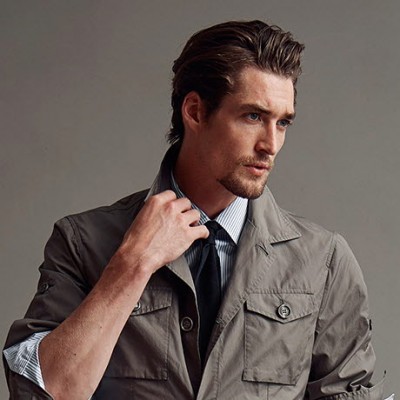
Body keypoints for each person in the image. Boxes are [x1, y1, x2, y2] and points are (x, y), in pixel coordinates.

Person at [3, 20, 385, 400]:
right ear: (195, 111)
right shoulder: (82, 243)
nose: (271, 144)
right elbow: (43, 392)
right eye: (253, 116)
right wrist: (132, 265)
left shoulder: (324, 261)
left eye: (282, 122)